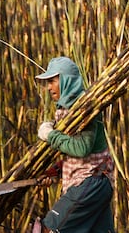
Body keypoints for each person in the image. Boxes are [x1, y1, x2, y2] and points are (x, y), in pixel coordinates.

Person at [33, 56, 115, 233]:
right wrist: (55, 171)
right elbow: (82, 156)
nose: (48, 88)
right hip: (94, 183)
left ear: (66, 80)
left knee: (47, 230)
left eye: (52, 81)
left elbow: (81, 148)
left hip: (91, 182)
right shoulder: (67, 111)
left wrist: (51, 135)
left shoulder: (85, 109)